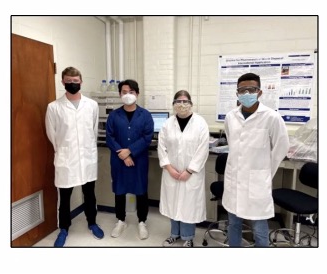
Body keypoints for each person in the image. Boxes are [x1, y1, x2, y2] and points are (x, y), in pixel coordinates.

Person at [222, 72, 290, 247]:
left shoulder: (272, 117)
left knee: (260, 229)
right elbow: (232, 143)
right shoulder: (231, 117)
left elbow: (281, 148)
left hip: (257, 183)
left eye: (251, 89)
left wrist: (264, 172)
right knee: (234, 224)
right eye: (242, 90)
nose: (246, 94)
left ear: (259, 92)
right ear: (237, 93)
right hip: (234, 180)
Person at [45, 66, 104, 247]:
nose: (72, 84)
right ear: (62, 82)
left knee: (90, 194)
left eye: (75, 81)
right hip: (66, 158)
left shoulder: (92, 105)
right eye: (69, 82)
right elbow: (52, 134)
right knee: (64, 198)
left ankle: (92, 223)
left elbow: (93, 131)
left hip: (87, 157)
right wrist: (65, 150)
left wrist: (85, 148)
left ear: (81, 82)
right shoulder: (54, 107)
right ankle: (63, 228)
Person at [157, 90, 209, 247]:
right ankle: (174, 234)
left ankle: (188, 237)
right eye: (178, 101)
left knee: (188, 205)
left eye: (185, 101)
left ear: (191, 104)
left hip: (191, 174)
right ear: (173, 105)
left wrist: (189, 170)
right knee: (173, 203)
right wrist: (169, 168)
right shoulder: (167, 124)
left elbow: (203, 149)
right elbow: (161, 147)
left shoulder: (200, 123)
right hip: (171, 172)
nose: (182, 105)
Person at [106, 79, 154, 240]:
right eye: (124, 92)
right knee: (119, 190)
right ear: (120, 94)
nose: (128, 95)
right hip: (119, 160)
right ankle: (121, 220)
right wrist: (123, 154)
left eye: (131, 92)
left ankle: (142, 221)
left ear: (137, 94)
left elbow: (147, 137)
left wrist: (130, 151)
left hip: (138, 160)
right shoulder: (114, 115)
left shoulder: (145, 115)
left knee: (141, 190)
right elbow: (110, 137)